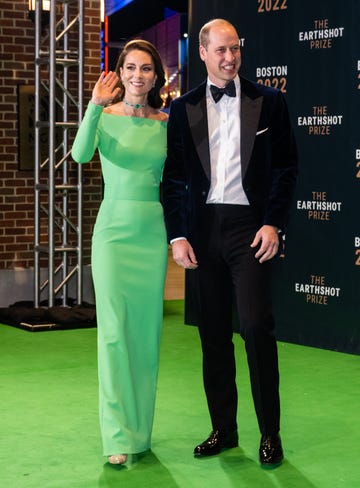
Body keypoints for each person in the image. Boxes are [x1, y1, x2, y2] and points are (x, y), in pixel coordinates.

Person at [162, 18, 298, 468]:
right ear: (201, 52)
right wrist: (178, 235)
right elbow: (175, 178)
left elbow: (286, 169)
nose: (229, 57)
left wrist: (273, 223)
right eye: (220, 50)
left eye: (234, 49)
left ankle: (270, 434)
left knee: (257, 327)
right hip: (203, 232)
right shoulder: (182, 109)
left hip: (249, 229)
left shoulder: (270, 101)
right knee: (213, 334)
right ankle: (224, 428)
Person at [71, 39, 168, 465]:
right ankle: (116, 437)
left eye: (146, 68)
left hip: (152, 233)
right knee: (112, 334)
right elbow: (79, 154)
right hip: (112, 234)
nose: (137, 75)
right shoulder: (104, 117)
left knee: (145, 337)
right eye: (130, 67)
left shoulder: (168, 122)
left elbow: (180, 179)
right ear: (119, 72)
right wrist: (93, 105)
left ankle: (140, 433)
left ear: (155, 75)